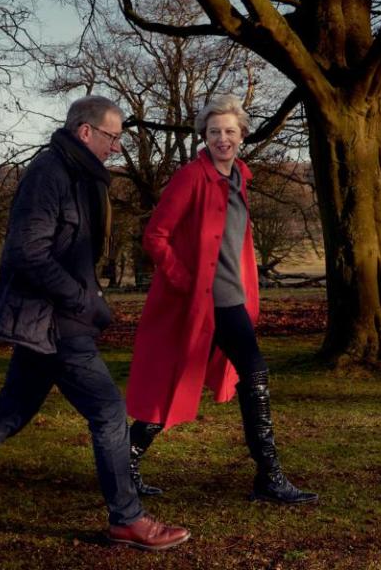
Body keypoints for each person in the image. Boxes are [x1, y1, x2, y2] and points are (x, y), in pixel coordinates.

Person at [0, 96, 190, 553]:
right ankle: (127, 520)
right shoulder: (48, 175)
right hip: (53, 323)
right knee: (109, 411)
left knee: (6, 417)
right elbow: (27, 253)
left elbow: (72, 253)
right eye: (112, 137)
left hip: (58, 320)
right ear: (85, 132)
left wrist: (93, 298)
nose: (117, 147)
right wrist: (81, 301)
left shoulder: (81, 177)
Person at [126, 95, 317, 504]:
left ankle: (123, 464)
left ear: (242, 135)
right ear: (205, 136)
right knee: (250, 375)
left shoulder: (239, 178)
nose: (222, 139)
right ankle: (269, 479)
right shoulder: (191, 177)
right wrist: (186, 281)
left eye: (230, 131)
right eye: (215, 132)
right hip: (202, 302)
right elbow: (155, 237)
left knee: (216, 378)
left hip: (231, 299)